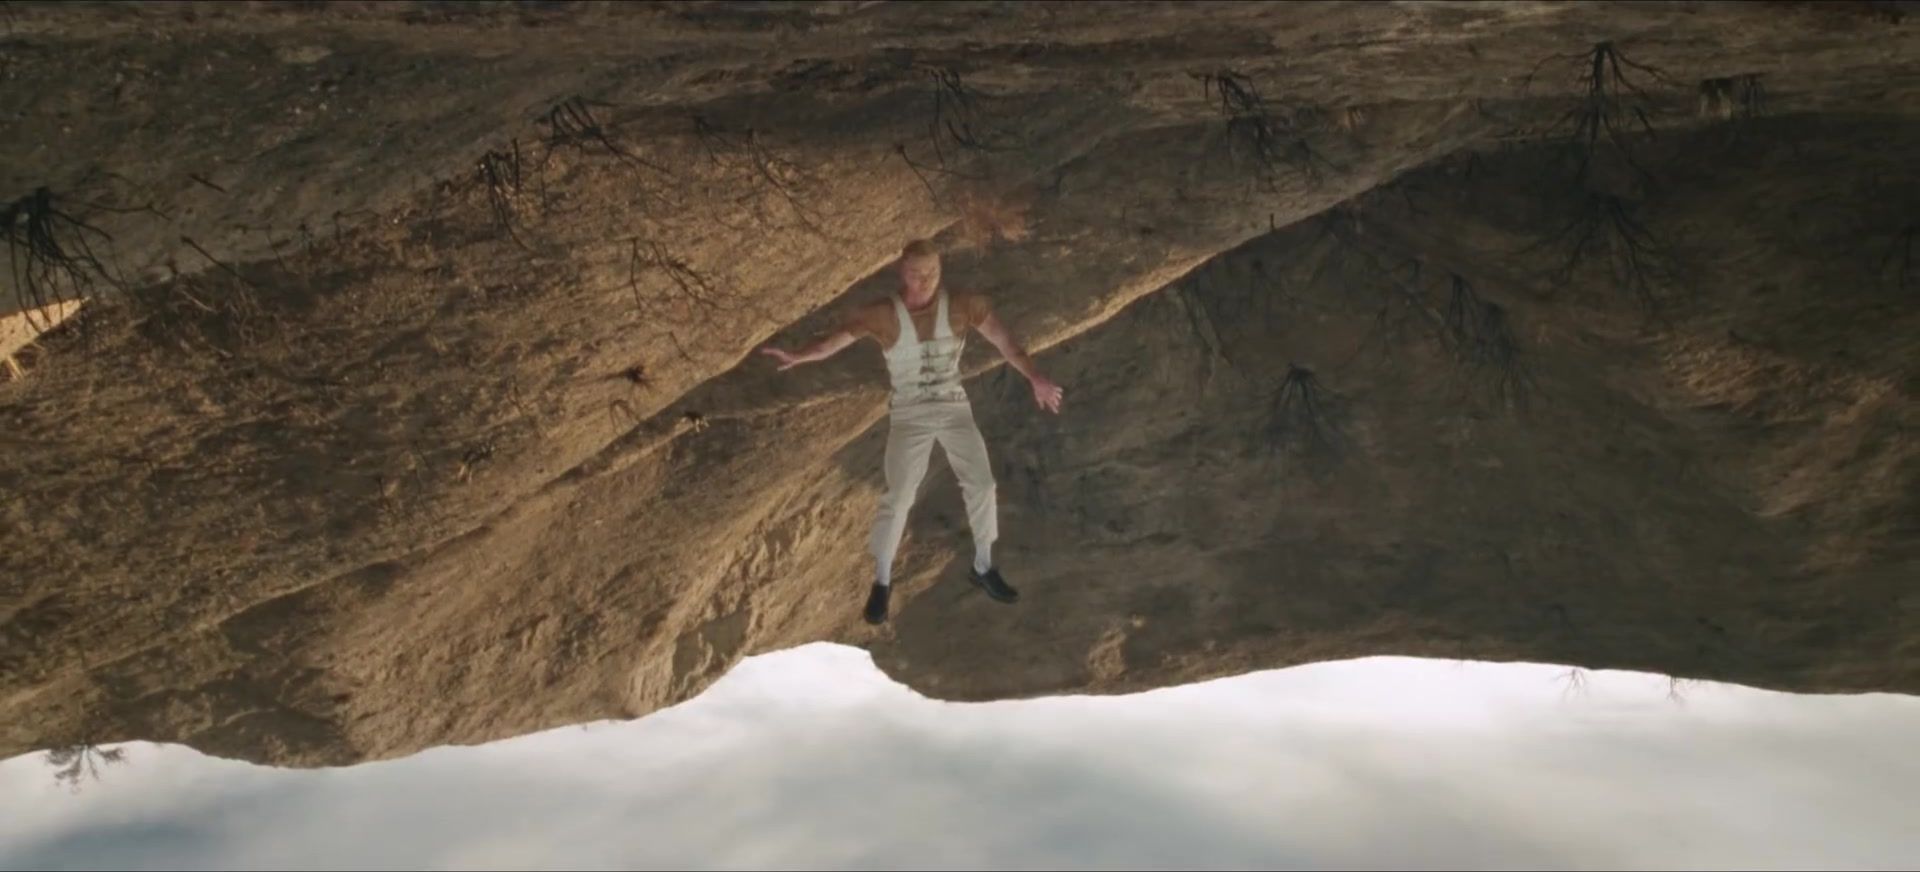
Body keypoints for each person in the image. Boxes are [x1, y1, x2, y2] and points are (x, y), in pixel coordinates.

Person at [760, 239, 1064, 625]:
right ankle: (882, 581)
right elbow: (835, 341)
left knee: (982, 484)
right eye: (917, 274)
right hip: (909, 412)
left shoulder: (963, 305)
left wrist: (1035, 378)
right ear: (902, 273)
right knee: (900, 494)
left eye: (932, 273)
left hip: (952, 405)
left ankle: (984, 565)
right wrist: (801, 355)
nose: (925, 281)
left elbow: (1005, 343)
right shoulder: (883, 314)